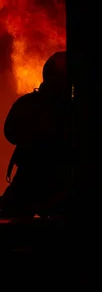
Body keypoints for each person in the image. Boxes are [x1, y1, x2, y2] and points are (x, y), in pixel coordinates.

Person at [0, 51, 71, 218]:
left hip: (34, 181)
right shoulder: (70, 110)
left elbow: (10, 133)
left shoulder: (28, 103)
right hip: (48, 181)